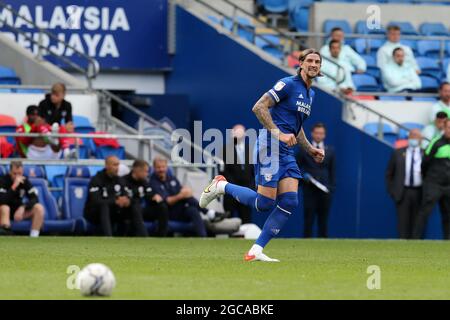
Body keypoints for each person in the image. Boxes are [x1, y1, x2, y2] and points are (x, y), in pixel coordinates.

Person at [199, 49, 325, 262]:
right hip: (269, 147)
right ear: (301, 64)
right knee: (264, 204)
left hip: (286, 151)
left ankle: (256, 250)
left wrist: (309, 149)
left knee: (290, 201)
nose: (314, 64)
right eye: (310, 60)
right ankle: (221, 186)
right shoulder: (287, 84)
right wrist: (278, 134)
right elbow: (258, 107)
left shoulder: (310, 94)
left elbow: (297, 126)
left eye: (317, 62)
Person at [84, 156, 147, 237]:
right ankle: (108, 237)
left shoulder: (119, 180)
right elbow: (95, 200)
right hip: (94, 214)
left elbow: (127, 195)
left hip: (112, 211)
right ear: (107, 165)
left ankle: (143, 237)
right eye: (114, 165)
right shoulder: (96, 179)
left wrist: (127, 201)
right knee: (104, 206)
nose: (117, 168)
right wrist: (115, 201)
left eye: (118, 165)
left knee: (134, 205)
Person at [150, 157, 207, 237]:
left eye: (163, 167)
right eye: (158, 167)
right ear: (154, 168)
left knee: (192, 209)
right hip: (166, 212)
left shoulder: (172, 178)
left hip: (179, 209)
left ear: (167, 167)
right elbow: (168, 201)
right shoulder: (152, 182)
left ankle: (203, 238)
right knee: (187, 198)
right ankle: (207, 212)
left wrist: (186, 192)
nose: (161, 169)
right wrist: (182, 195)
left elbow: (183, 191)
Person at [296, 123, 335, 238]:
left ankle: (323, 243)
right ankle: (306, 243)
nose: (319, 135)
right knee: (308, 218)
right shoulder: (303, 150)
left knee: (323, 219)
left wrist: (331, 187)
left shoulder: (330, 151)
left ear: (324, 135)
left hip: (325, 190)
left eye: (321, 133)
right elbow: (296, 168)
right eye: (317, 133)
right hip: (309, 189)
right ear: (312, 134)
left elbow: (332, 170)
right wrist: (304, 178)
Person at [413, 119, 450, 240]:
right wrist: (429, 179)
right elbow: (424, 163)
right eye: (448, 127)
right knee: (424, 212)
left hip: (448, 186)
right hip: (433, 184)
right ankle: (415, 240)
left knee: (448, 215)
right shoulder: (436, 142)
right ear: (443, 128)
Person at [385, 129, 424, 239]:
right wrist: (392, 191)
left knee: (417, 222)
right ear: (408, 138)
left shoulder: (425, 153)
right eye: (412, 135)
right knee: (403, 222)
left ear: (421, 139)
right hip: (402, 192)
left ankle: (416, 247)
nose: (414, 138)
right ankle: (402, 246)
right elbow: (389, 173)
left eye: (416, 136)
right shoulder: (397, 153)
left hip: (419, 192)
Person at [122, 160, 169, 237]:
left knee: (162, 206)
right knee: (135, 205)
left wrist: (155, 197)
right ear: (136, 170)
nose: (147, 174)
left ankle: (161, 236)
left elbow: (149, 194)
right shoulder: (123, 180)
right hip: (127, 211)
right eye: (145, 171)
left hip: (141, 210)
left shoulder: (144, 182)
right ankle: (144, 236)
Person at [0, 161, 44, 237]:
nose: (17, 176)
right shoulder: (3, 180)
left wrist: (23, 207)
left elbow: (35, 198)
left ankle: (34, 237)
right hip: (4, 212)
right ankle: (6, 234)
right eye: (15, 173)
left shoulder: (25, 181)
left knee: (39, 208)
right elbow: (2, 200)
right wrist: (14, 186)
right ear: (10, 172)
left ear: (22, 172)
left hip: (18, 212)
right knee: (5, 207)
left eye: (19, 173)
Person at [221, 124, 255, 224]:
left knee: (246, 218)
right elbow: (224, 171)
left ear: (245, 134)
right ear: (232, 134)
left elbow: (254, 170)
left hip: (247, 190)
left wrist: (251, 187)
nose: (239, 134)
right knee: (229, 218)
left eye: (241, 131)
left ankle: (245, 239)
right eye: (236, 131)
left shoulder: (251, 150)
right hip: (231, 190)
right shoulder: (225, 150)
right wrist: (232, 187)